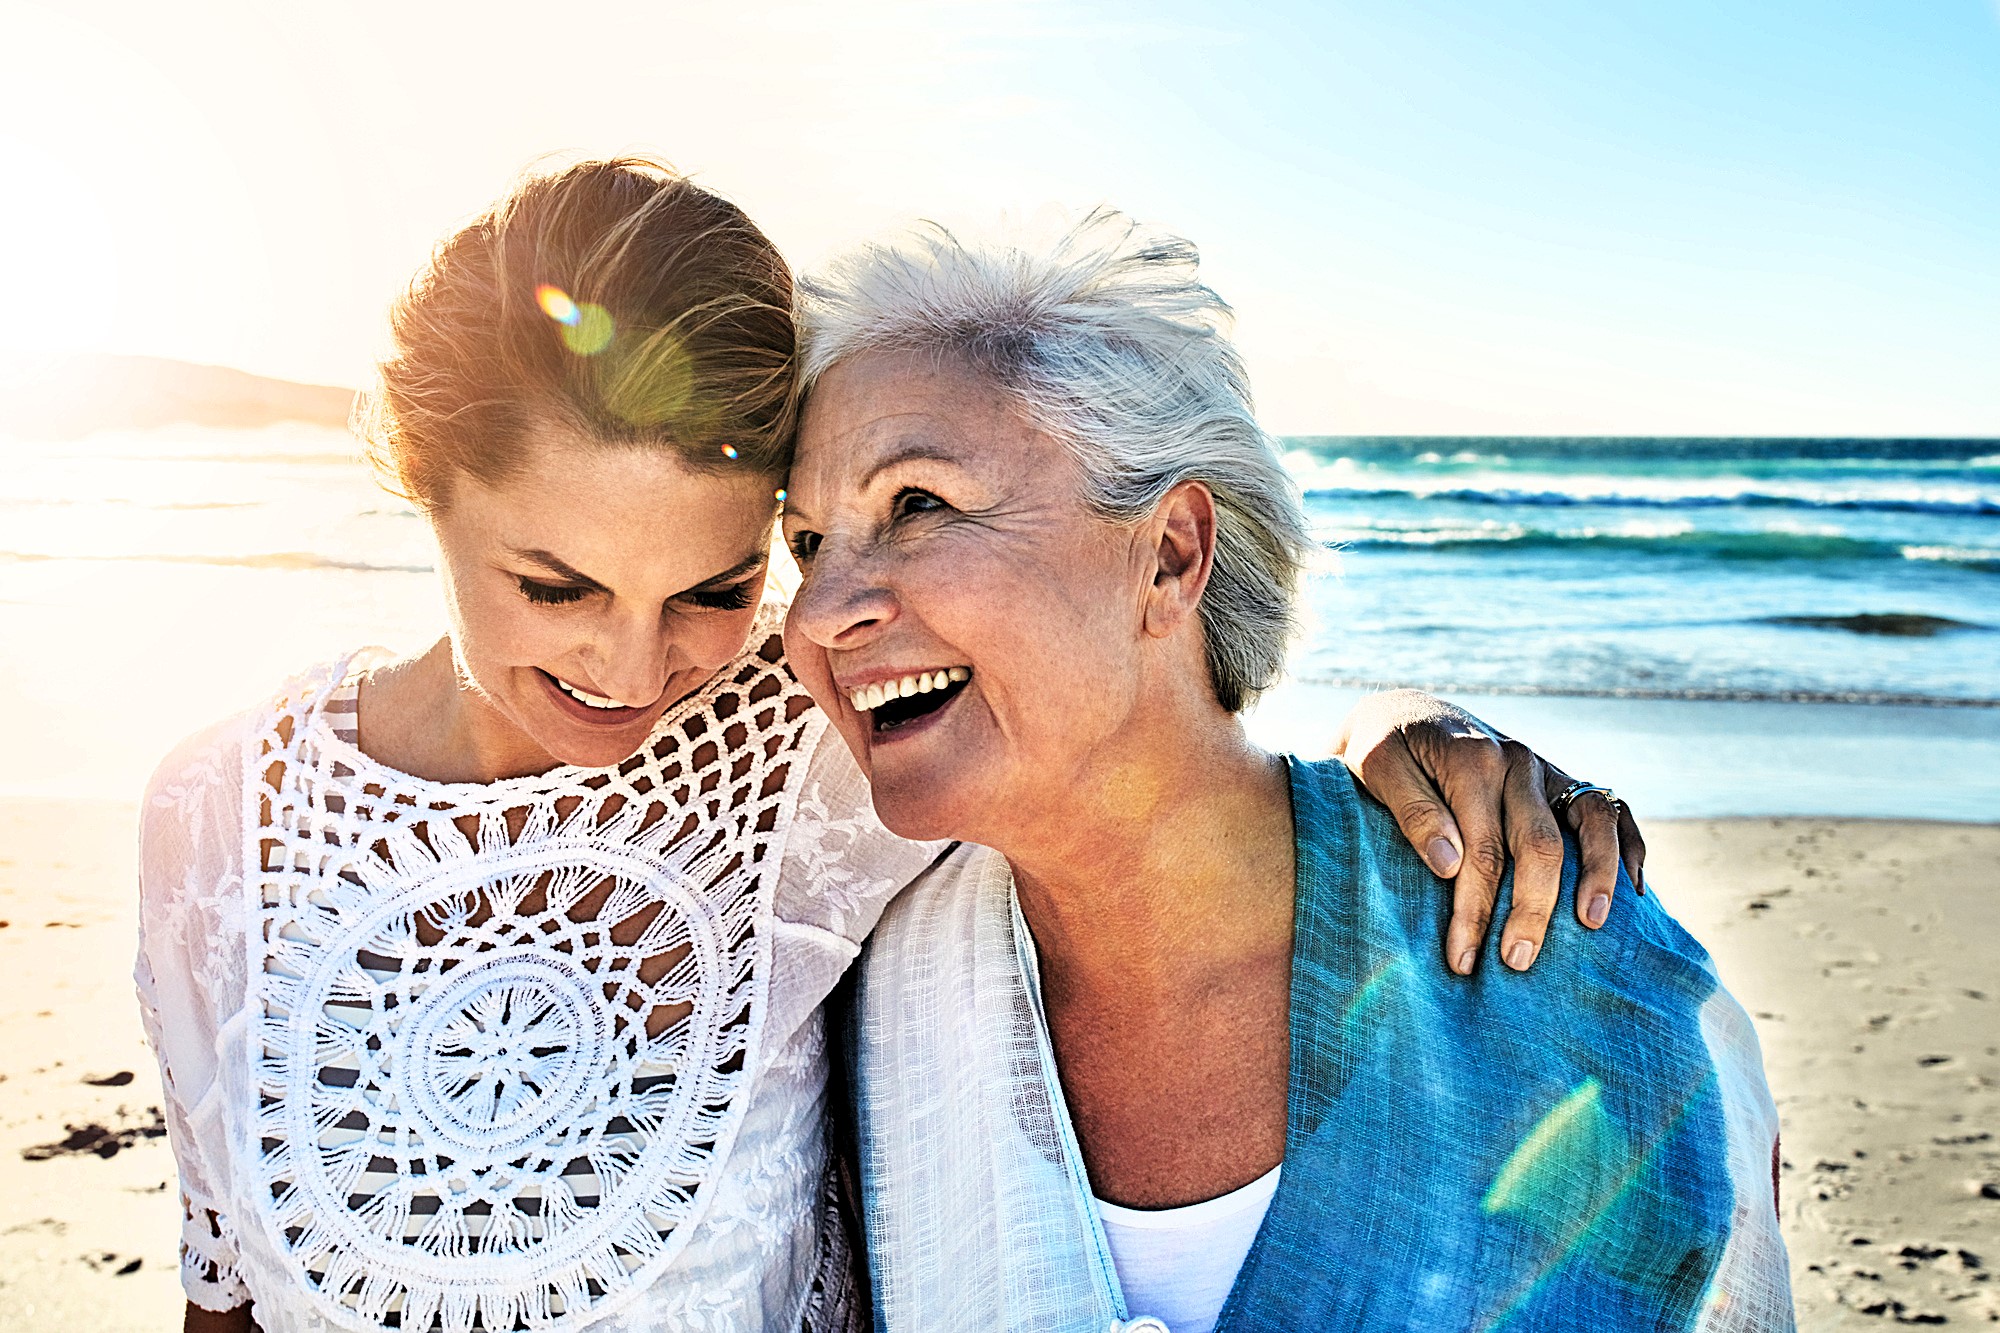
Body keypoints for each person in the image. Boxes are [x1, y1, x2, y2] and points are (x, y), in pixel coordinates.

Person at [137, 159, 1644, 1333]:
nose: (631, 664)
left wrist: (1406, 733)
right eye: (556, 586)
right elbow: (223, 1284)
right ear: (420, 485)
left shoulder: (814, 757)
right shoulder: (222, 814)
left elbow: (1124, 725)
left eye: (721, 588)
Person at [780, 212, 1794, 1332]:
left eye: (916, 504)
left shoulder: (1574, 979)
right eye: (806, 543)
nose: (823, 611)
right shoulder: (838, 981)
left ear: (1168, 556)